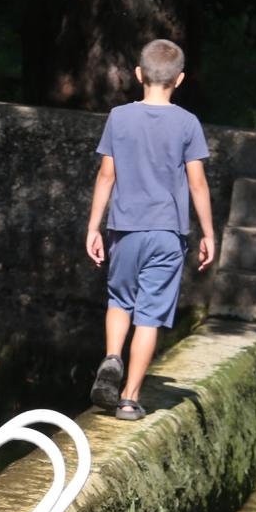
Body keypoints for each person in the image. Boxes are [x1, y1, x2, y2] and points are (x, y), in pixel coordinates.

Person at [85, 39, 216, 421]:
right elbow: (197, 184)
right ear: (180, 79)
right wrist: (208, 233)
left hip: (124, 228)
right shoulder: (188, 123)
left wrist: (93, 227)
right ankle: (129, 399)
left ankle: (112, 357)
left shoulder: (119, 117)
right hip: (166, 232)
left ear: (139, 75)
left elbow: (106, 175)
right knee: (149, 315)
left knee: (119, 299)